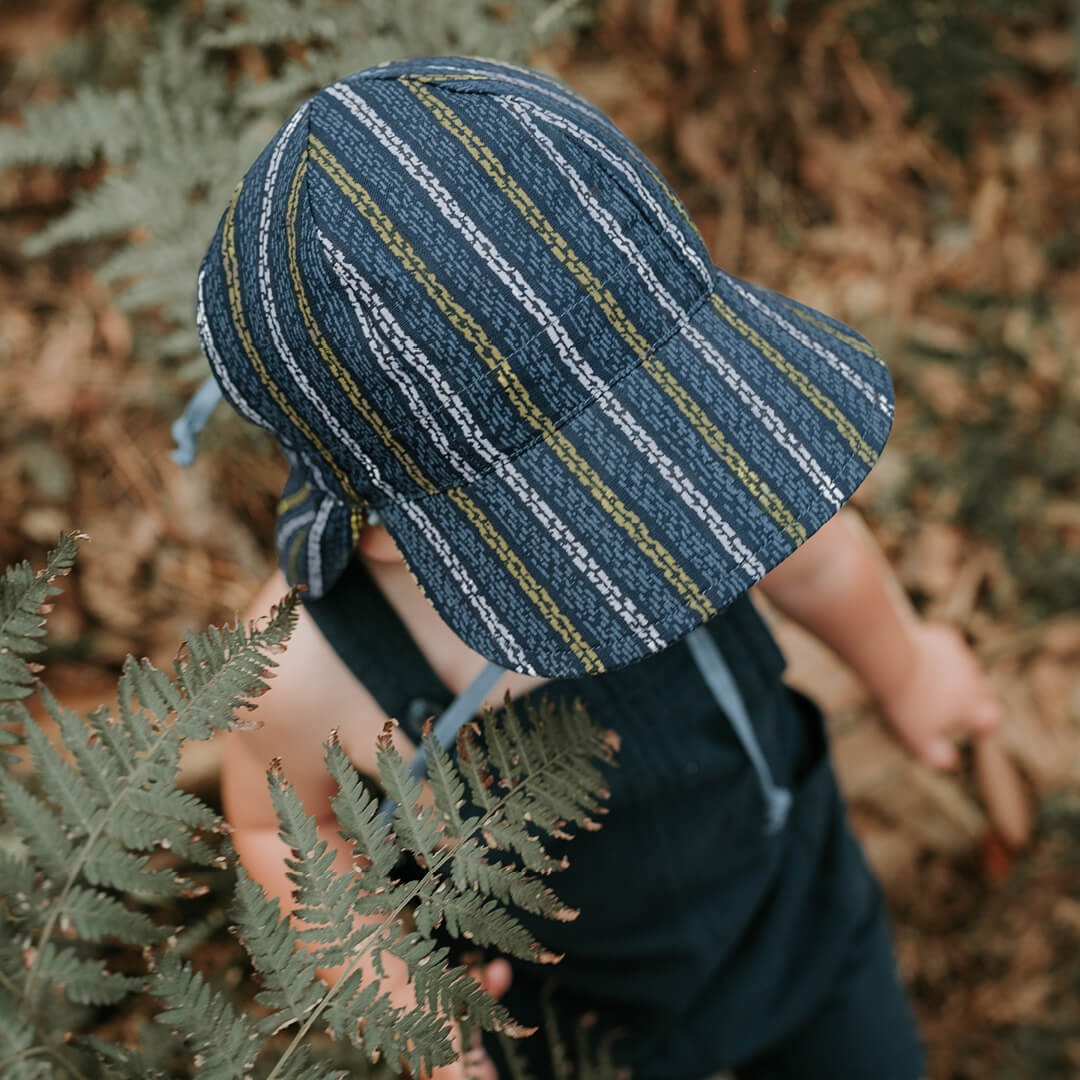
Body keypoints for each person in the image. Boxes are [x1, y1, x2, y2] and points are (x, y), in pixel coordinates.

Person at [176, 55, 1004, 1079]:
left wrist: (908, 668)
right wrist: (401, 1005)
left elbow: (821, 564)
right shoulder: (313, 669)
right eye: (588, 504)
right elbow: (277, 835)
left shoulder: (702, 451)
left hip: (797, 918)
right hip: (568, 1024)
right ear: (384, 529)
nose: (658, 494)